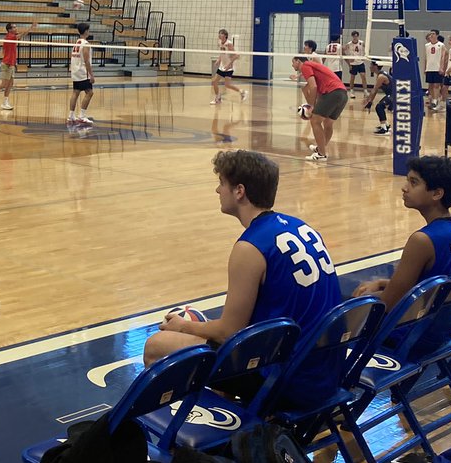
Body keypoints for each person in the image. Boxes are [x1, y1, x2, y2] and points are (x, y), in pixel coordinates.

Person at [144, 151, 340, 402]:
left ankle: (190, 429)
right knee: (213, 335)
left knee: (156, 346)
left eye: (221, 183)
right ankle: (236, 426)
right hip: (325, 370)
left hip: (285, 381)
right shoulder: (301, 226)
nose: (217, 190)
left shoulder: (250, 248)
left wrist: (183, 326)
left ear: (239, 191)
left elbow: (228, 331)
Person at [353, 155, 451, 311]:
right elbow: (431, 285)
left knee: (354, 300)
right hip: (448, 317)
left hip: (417, 328)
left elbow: (388, 304)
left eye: (414, 182)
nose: (404, 188)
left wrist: (364, 298)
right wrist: (382, 283)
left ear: (437, 194)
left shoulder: (422, 240)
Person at [292, 55, 349, 161]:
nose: (292, 65)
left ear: (298, 61)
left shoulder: (305, 65)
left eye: (293, 62)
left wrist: (312, 107)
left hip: (333, 93)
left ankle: (321, 154)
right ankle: (320, 148)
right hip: (342, 94)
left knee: (315, 121)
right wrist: (309, 101)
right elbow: (317, 95)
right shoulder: (317, 74)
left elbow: (313, 86)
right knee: (328, 123)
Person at [0, 20, 36, 111]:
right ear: (9, 30)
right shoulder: (10, 37)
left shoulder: (13, 37)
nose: (16, 28)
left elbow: (20, 35)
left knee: (10, 84)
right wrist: (31, 28)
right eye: (14, 27)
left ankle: (5, 102)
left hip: (11, 63)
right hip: (7, 64)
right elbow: (22, 35)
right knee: (4, 84)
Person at [67, 22, 94, 126]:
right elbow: (87, 61)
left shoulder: (77, 42)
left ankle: (71, 115)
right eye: (88, 30)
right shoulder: (85, 44)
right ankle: (82, 116)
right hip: (83, 72)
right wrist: (91, 75)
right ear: (86, 31)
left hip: (75, 71)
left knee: (76, 92)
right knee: (90, 92)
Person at [210, 29, 247, 105]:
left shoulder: (229, 44)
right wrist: (218, 60)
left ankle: (242, 92)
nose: (219, 35)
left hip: (229, 68)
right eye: (219, 33)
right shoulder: (220, 42)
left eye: (221, 34)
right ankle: (218, 98)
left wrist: (229, 64)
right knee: (214, 82)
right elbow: (222, 53)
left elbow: (236, 55)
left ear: (225, 35)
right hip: (222, 67)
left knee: (227, 85)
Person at [365, 59, 393, 135]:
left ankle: (384, 129)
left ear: (375, 66)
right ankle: (386, 126)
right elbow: (375, 91)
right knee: (380, 107)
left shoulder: (381, 76)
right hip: (392, 95)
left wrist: (369, 101)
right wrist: (370, 101)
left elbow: (374, 90)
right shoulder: (380, 74)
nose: (369, 67)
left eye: (371, 65)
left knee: (379, 107)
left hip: (394, 95)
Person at [423, 30, 445, 111]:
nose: (431, 35)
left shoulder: (441, 45)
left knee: (436, 85)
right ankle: (432, 100)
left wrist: (441, 67)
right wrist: (425, 68)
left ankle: (436, 100)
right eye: (431, 34)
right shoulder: (427, 45)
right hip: (429, 67)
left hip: (437, 67)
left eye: (433, 34)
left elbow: (442, 57)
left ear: (437, 35)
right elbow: (426, 57)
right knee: (431, 85)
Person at [344, 30, 368, 95]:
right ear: (352, 37)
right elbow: (343, 51)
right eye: (354, 36)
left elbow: (367, 49)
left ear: (358, 36)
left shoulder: (362, 43)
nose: (355, 38)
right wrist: (348, 59)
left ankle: (365, 91)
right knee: (352, 77)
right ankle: (351, 91)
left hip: (360, 62)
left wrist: (364, 56)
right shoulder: (349, 44)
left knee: (363, 76)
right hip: (353, 63)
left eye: (356, 36)